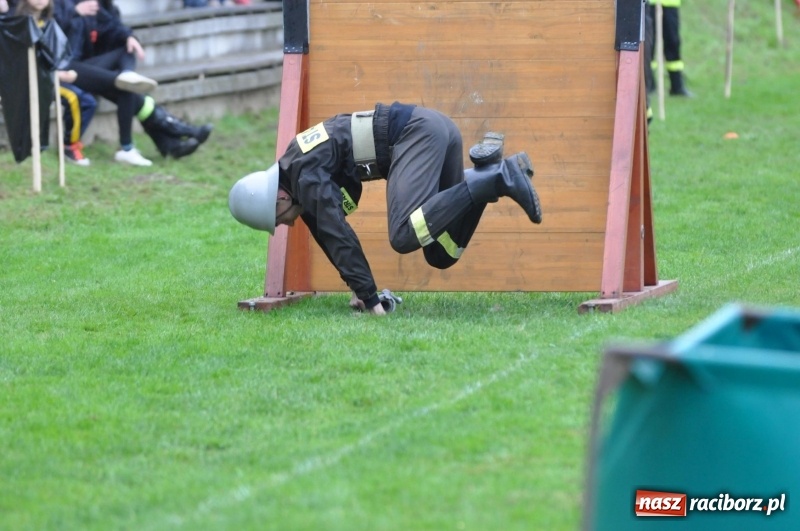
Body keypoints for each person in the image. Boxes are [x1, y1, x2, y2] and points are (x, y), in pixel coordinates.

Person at [228, 102, 543, 315]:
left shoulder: (304, 175)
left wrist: (371, 300)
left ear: (279, 198)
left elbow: (337, 234)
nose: (288, 225)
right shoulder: (299, 170)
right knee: (442, 251)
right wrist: (360, 290)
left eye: (279, 220)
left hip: (417, 134)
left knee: (405, 234)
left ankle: (499, 176)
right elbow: (329, 237)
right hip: (435, 129)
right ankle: (489, 174)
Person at [54, 0, 212, 165]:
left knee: (127, 67)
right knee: (125, 85)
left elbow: (113, 25)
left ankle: (151, 144)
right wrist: (75, 11)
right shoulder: (64, 4)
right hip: (64, 68)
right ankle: (171, 136)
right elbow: (49, 26)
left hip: (89, 68)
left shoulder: (98, 4)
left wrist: (129, 36)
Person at [648, 0, 692, 97]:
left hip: (671, 4)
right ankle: (649, 84)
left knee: (673, 43)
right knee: (649, 44)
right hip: (650, 4)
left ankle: (677, 86)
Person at [58, 72, 97, 165]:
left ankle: (72, 144)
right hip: (42, 78)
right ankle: (69, 147)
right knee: (74, 97)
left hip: (62, 73)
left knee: (89, 102)